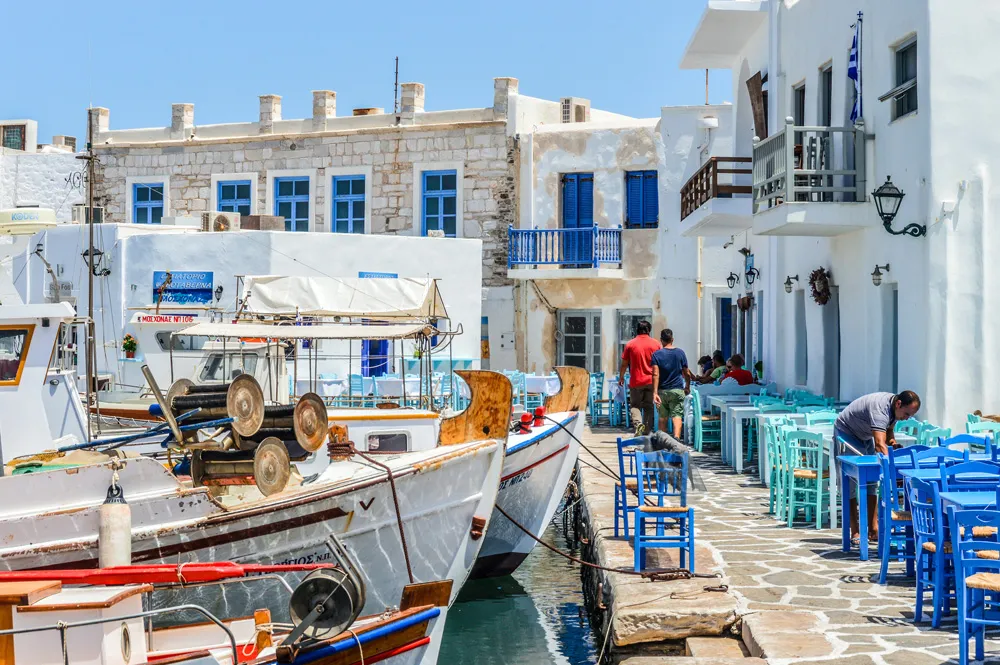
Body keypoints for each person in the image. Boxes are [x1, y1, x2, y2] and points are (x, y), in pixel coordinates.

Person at [834, 390, 921, 546]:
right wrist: (894, 472)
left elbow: (889, 430)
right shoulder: (880, 409)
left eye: (910, 416)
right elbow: (880, 445)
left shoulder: (894, 407)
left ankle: (873, 529)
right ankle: (855, 530)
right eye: (907, 414)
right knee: (851, 484)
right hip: (847, 432)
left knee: (872, 483)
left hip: (865, 435)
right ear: (899, 404)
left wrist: (893, 443)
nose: (907, 418)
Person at [618, 320, 661, 436]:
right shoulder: (656, 344)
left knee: (635, 406)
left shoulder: (630, 344)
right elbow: (659, 364)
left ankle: (638, 425)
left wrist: (621, 377)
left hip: (636, 381)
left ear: (636, 330)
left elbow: (624, 364)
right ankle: (646, 430)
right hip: (651, 381)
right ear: (649, 330)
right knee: (648, 406)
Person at [651, 329, 691, 438]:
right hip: (677, 389)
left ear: (661, 340)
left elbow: (655, 374)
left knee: (662, 417)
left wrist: (655, 393)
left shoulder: (656, 355)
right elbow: (687, 373)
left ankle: (663, 440)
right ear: (672, 339)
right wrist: (687, 386)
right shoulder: (680, 353)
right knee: (677, 415)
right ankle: (676, 438)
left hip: (662, 391)